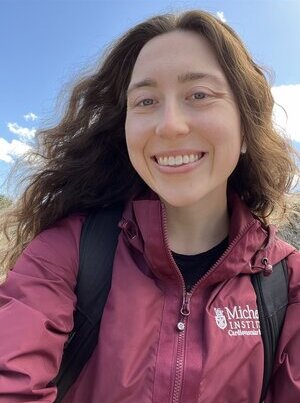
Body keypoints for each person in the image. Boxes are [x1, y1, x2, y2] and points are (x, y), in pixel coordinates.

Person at [0, 9, 299, 403]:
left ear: (246, 128)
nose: (169, 125)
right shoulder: (68, 249)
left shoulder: (288, 282)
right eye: (145, 101)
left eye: (199, 95)